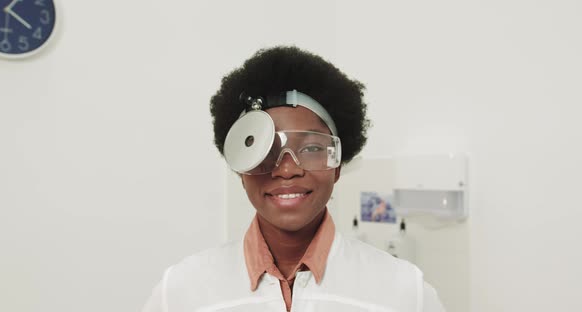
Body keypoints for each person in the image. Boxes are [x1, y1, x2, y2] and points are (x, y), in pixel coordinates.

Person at [142, 46, 445, 312]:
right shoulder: (182, 292)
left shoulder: (404, 293)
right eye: (266, 150)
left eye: (311, 148)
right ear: (240, 168)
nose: (287, 169)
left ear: (338, 164)